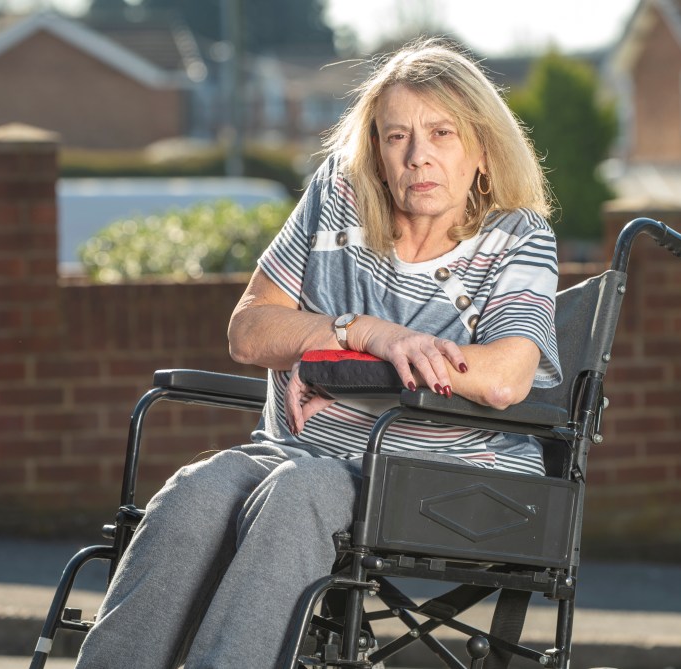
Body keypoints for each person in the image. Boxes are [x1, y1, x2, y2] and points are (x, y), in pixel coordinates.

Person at [74, 38, 562, 669]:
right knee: (196, 490)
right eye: (396, 137)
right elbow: (249, 331)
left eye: (442, 133)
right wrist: (365, 333)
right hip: (296, 450)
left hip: (439, 475)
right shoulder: (337, 198)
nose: (418, 156)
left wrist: (366, 360)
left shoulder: (517, 238)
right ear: (377, 152)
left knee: (298, 493)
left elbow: (504, 377)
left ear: (484, 152)